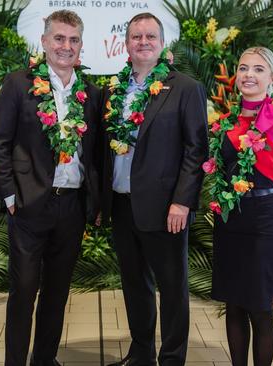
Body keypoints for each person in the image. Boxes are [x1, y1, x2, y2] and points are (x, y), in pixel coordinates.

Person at [0, 10, 102, 366]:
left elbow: (96, 152)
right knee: (22, 292)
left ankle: (45, 359)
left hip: (71, 207)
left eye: (72, 40)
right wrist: (9, 195)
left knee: (57, 293)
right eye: (59, 38)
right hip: (28, 204)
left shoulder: (91, 92)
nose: (65, 47)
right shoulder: (19, 84)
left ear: (81, 45)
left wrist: (95, 203)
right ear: (44, 41)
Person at [101, 12, 208, 366]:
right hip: (121, 203)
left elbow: (196, 151)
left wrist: (182, 202)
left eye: (150, 36)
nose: (143, 42)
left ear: (162, 44)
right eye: (136, 37)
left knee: (172, 288)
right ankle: (141, 353)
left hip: (166, 209)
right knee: (135, 284)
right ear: (126, 45)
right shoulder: (113, 89)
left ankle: (173, 358)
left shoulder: (186, 88)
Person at [208, 47, 273, 366]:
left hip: (264, 224)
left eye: (259, 69)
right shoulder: (225, 121)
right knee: (233, 305)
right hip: (229, 222)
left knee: (260, 309)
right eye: (244, 68)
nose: (249, 74)